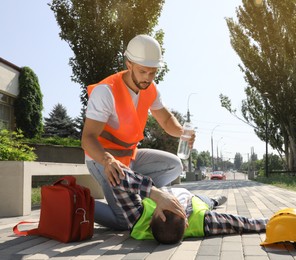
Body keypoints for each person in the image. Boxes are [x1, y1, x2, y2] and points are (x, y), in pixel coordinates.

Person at [81, 34, 194, 229]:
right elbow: (88, 138)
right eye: (143, 71)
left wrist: (182, 132)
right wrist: (108, 161)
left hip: (130, 158)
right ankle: (78, 203)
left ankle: (139, 194)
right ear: (129, 64)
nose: (147, 78)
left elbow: (166, 120)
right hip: (103, 160)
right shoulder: (106, 91)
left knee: (174, 166)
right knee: (127, 220)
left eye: (153, 72)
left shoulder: (151, 89)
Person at [99, 168, 268, 244]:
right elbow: (241, 224)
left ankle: (215, 200)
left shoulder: (138, 219)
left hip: (168, 189)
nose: (171, 202)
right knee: (209, 202)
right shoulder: (205, 222)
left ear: (151, 221)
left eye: (164, 206)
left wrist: (155, 194)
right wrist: (270, 222)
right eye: (174, 206)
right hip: (195, 199)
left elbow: (117, 178)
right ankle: (216, 200)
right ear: (186, 224)